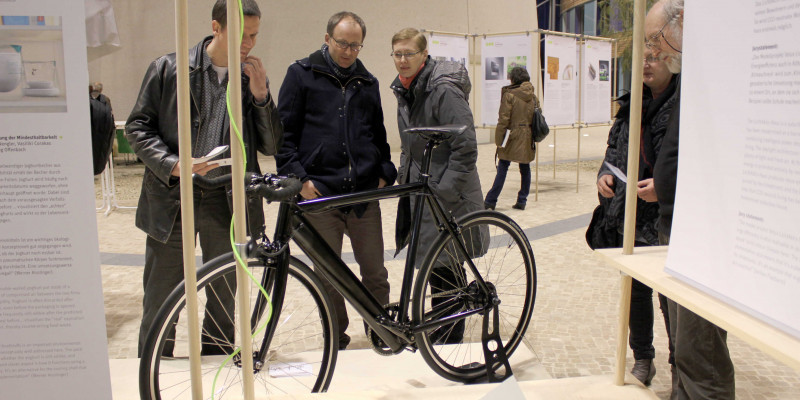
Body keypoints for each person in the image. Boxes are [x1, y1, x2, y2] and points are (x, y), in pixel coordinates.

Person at [126, 0, 282, 357]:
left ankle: (215, 365)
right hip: (173, 195)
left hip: (226, 199)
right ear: (216, 27)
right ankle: (153, 366)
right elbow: (137, 127)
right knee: (162, 292)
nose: (249, 43)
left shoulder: (251, 78)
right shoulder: (169, 68)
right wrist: (173, 163)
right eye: (242, 34)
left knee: (225, 291)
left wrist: (261, 98)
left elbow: (272, 144)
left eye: (255, 35)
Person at [275, 11, 396, 351]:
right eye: (342, 43)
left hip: (361, 196)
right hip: (320, 195)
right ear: (327, 38)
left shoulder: (367, 82)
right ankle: (336, 335)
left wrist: (385, 171)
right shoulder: (301, 75)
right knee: (328, 275)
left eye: (355, 45)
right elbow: (285, 137)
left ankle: (381, 331)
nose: (348, 51)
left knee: (375, 272)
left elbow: (378, 135)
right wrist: (299, 178)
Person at [649, 0, 736, 398]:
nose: (654, 50)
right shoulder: (693, 76)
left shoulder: (717, 72)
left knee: (700, 354)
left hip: (702, 236)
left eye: (656, 39)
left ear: (680, 24)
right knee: (683, 348)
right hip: (677, 229)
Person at [389, 28, 485, 343]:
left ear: (424, 55)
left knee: (445, 268)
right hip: (423, 188)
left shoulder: (442, 91)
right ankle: (440, 333)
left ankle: (448, 340)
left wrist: (442, 192)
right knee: (434, 267)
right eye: (397, 54)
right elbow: (409, 144)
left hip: (447, 193)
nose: (402, 60)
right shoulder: (406, 88)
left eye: (409, 54)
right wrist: (405, 179)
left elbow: (466, 147)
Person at [595, 42, 680, 385]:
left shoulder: (683, 106)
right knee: (636, 292)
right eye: (643, 59)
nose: (646, 65)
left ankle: (680, 365)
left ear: (672, 61)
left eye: (654, 58)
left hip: (667, 218)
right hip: (630, 214)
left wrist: (665, 188)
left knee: (671, 298)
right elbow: (614, 149)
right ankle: (643, 356)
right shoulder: (631, 104)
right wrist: (603, 173)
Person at [484, 66, 540, 211]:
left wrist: (499, 141)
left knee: (503, 166)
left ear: (514, 79)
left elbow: (503, 120)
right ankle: (522, 200)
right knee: (525, 167)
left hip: (512, 136)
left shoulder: (509, 95)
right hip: (527, 136)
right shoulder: (533, 96)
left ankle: (491, 200)